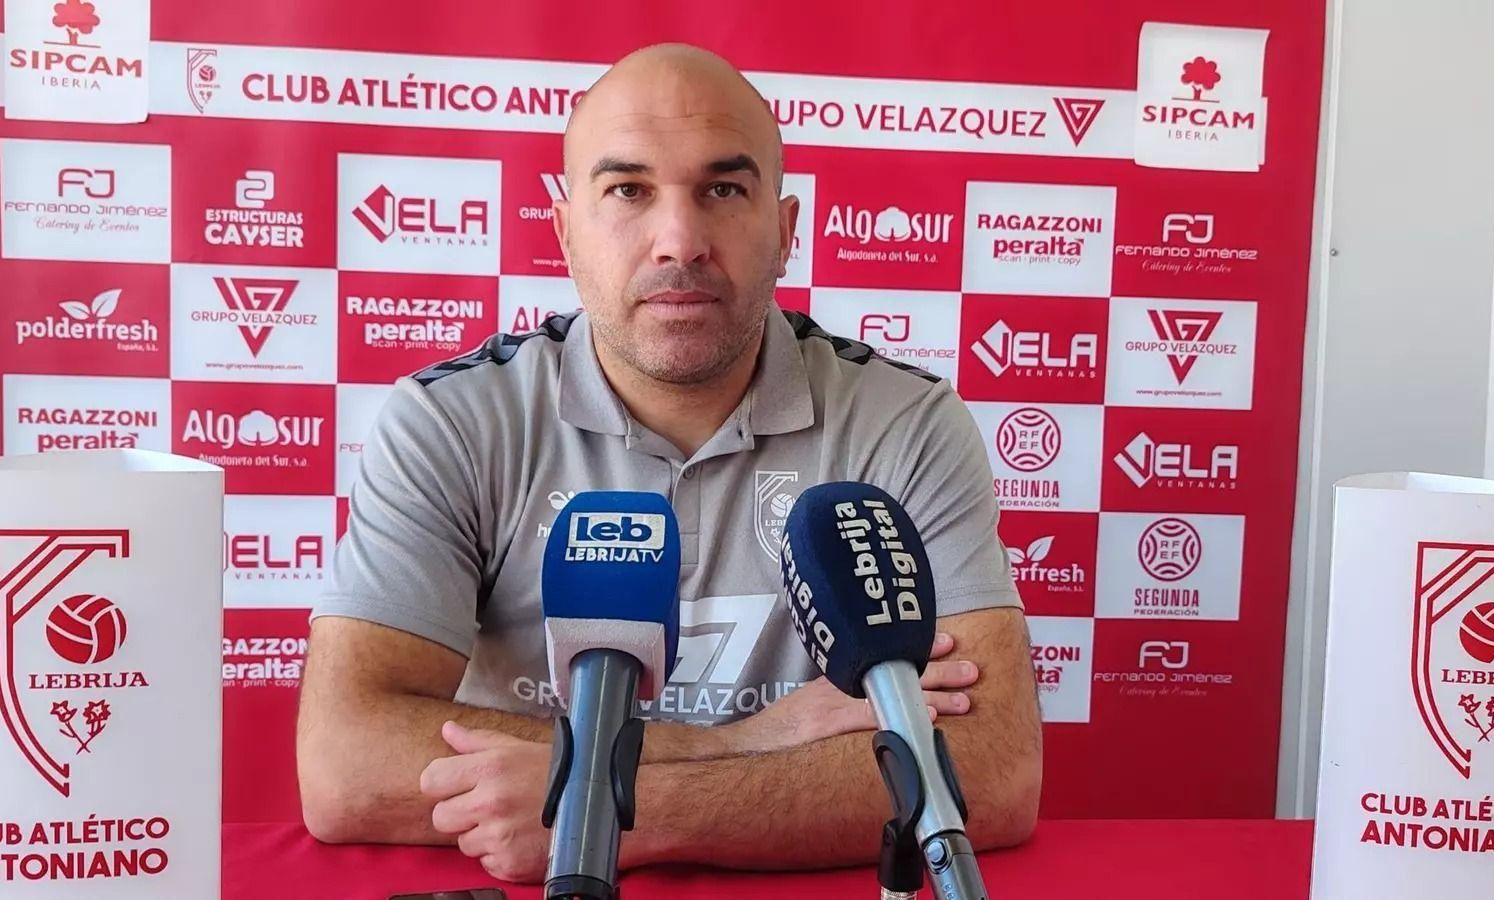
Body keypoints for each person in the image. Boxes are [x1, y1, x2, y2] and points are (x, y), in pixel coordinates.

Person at [296, 42, 1042, 883]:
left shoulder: (905, 422)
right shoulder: (453, 420)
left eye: (724, 189)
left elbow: (992, 771)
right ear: (565, 231)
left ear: (786, 231)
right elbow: (347, 762)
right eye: (627, 190)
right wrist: (742, 745)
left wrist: (618, 809)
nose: (679, 241)